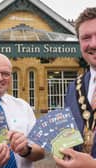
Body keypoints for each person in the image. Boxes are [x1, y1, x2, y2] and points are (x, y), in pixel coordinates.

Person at [54, 7, 96, 168]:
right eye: (86, 37)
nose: (93, 43)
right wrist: (63, 150)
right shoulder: (74, 87)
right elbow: (69, 134)